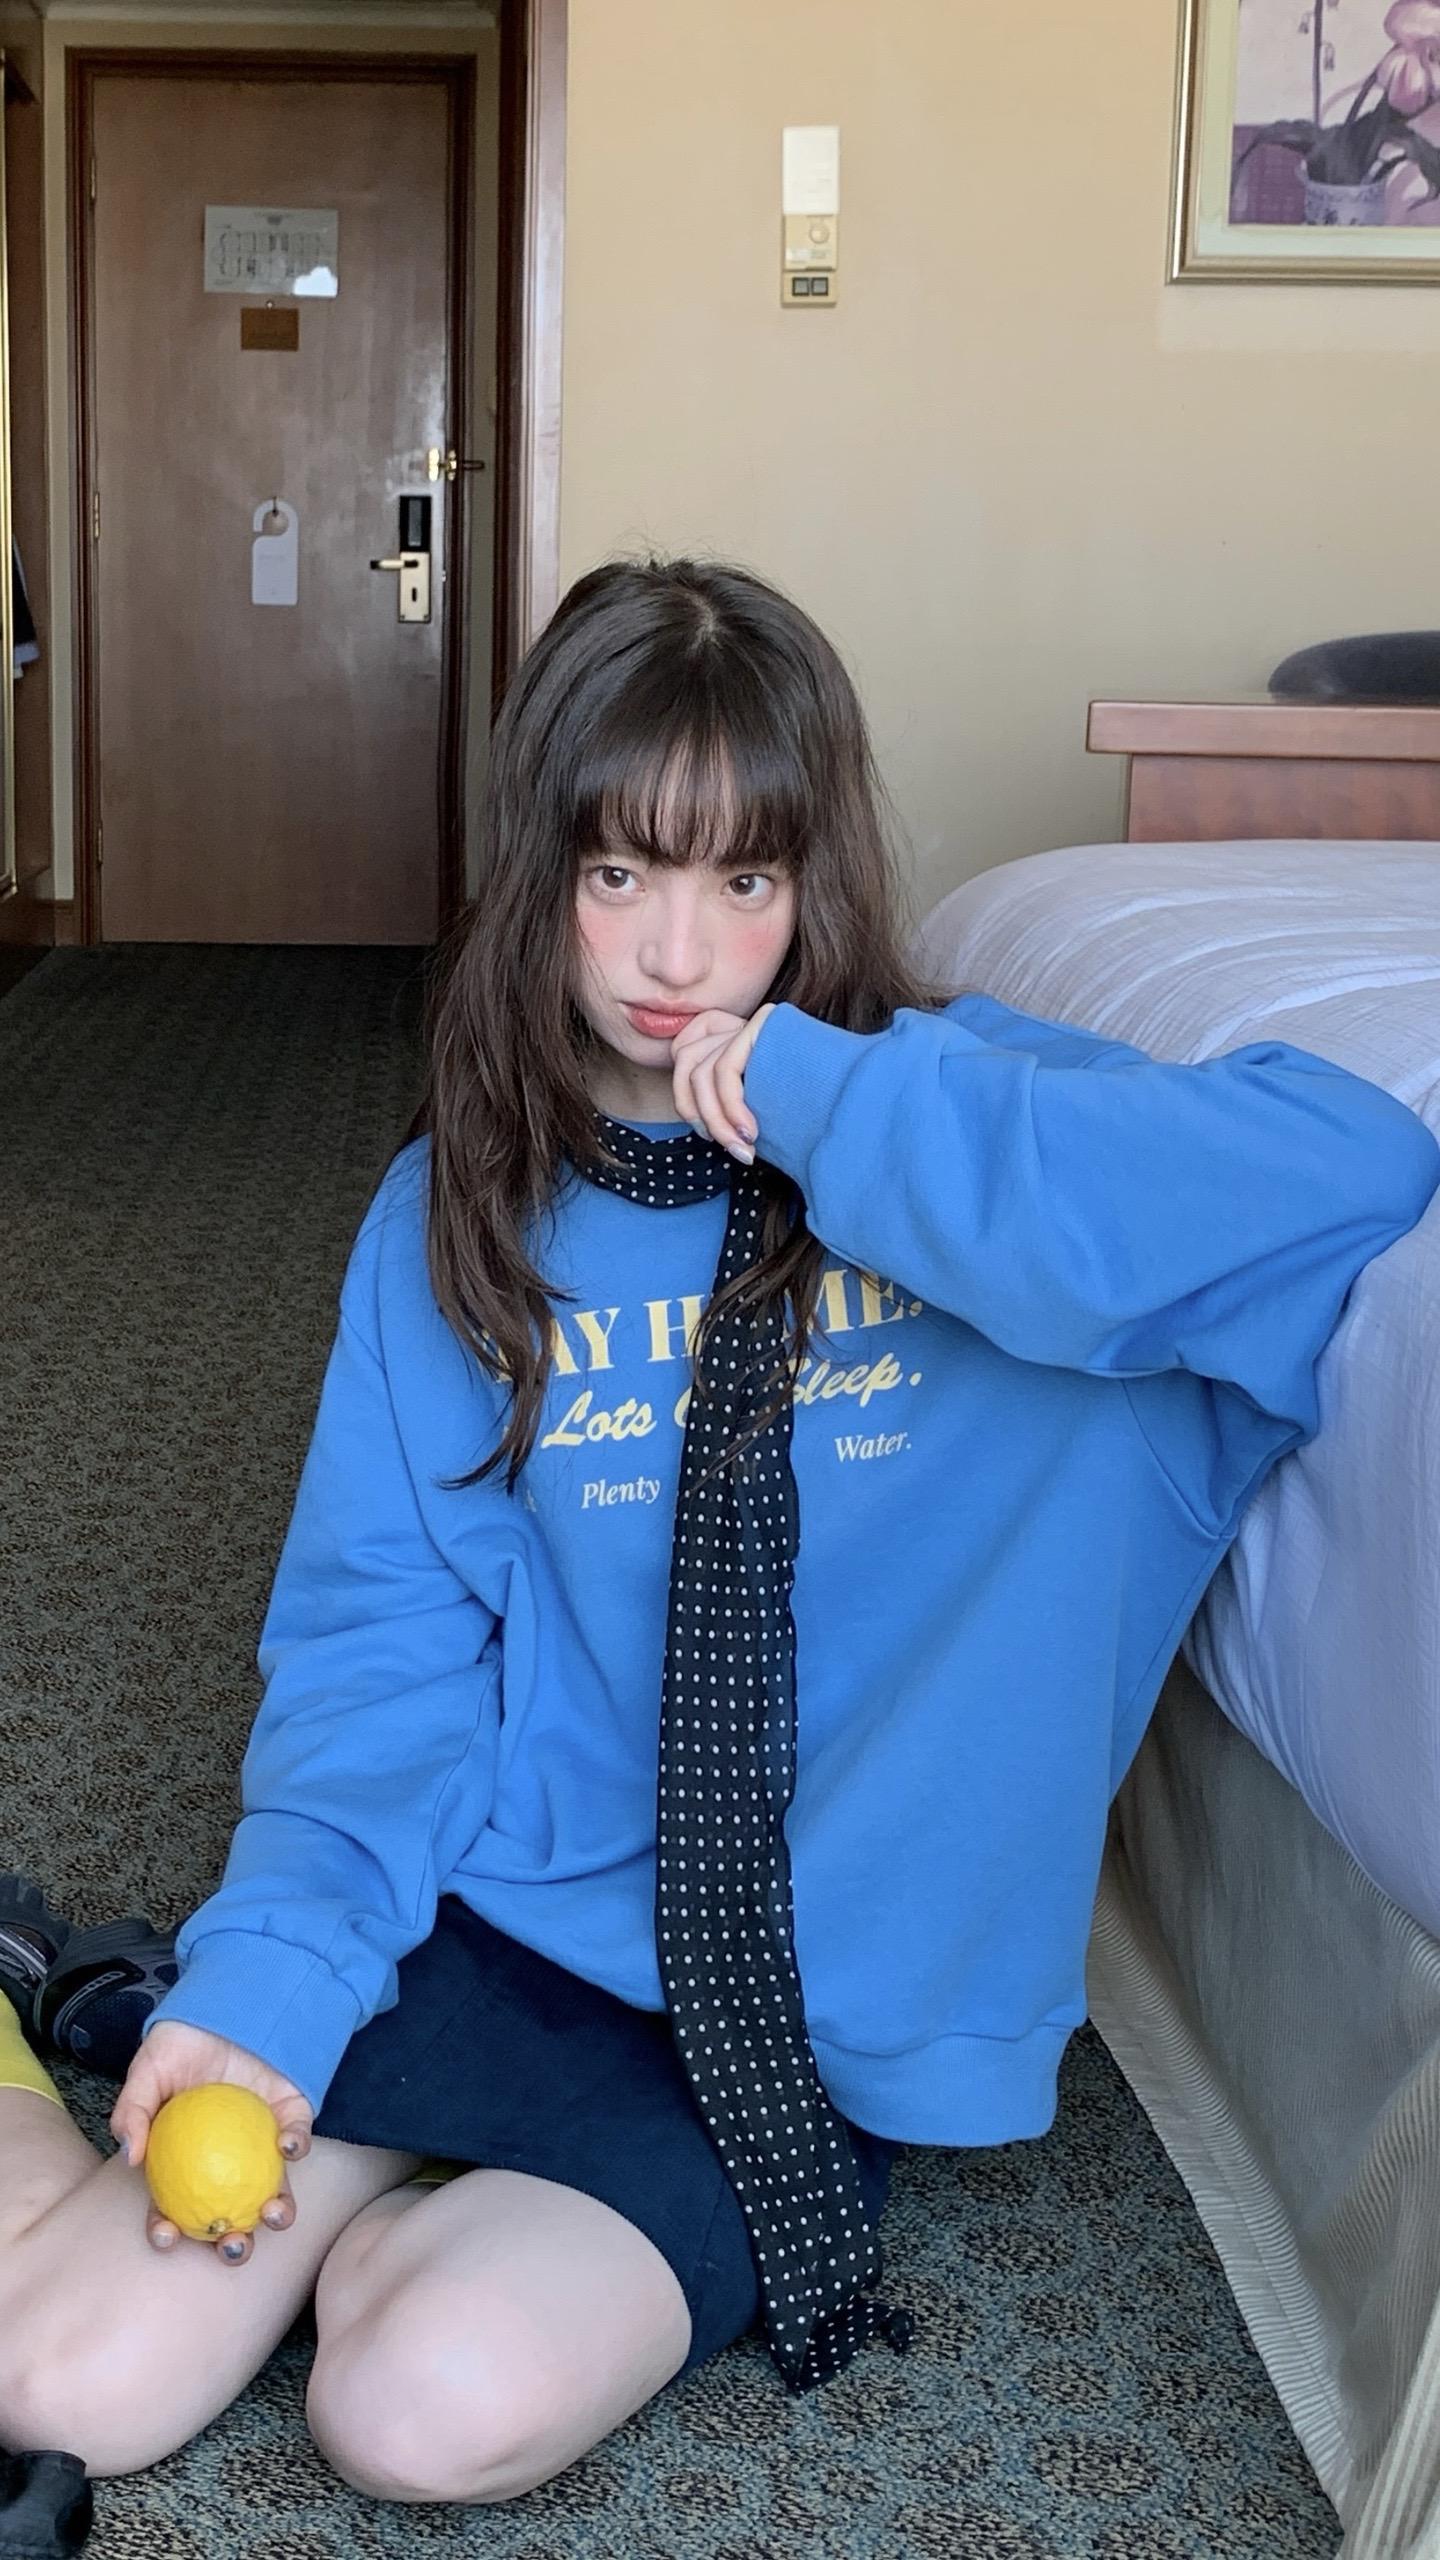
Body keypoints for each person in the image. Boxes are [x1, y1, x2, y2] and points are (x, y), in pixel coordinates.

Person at [1, 555, 1437, 2517]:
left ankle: (391, 2216)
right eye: (620, 872)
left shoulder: (987, 1133)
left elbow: (1359, 1162)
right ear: (542, 874)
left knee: (418, 2407)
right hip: (504, 1912)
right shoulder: (459, 1211)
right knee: (69, 2377)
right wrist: (273, 1967)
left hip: (787, 2013)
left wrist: (837, 1109)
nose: (679, 951)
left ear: (814, 880)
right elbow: (385, 1646)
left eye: (744, 878)